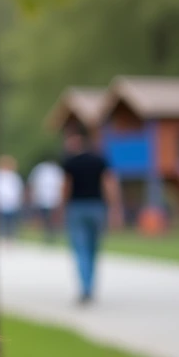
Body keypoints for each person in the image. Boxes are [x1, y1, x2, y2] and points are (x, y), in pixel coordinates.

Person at [60, 130, 122, 304]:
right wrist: (114, 208)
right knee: (93, 249)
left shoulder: (70, 162)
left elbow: (66, 187)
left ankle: (85, 288)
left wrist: (61, 207)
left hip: (77, 208)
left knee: (81, 249)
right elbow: (109, 184)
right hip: (96, 208)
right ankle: (89, 286)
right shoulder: (99, 160)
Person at [28, 158, 64, 242]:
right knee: (45, 217)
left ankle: (51, 233)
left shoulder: (55, 170)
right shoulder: (41, 169)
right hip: (44, 198)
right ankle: (48, 233)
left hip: (53, 199)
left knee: (52, 218)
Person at [0, 154, 24, 240]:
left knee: (11, 222)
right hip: (0, 202)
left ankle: (10, 237)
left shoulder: (14, 176)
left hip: (11, 203)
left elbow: (18, 190)